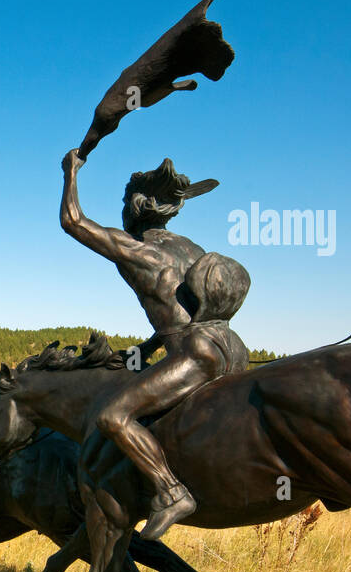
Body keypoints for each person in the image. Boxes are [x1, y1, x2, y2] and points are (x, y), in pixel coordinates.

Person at [60, 147, 250, 539]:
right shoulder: (189, 248)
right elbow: (184, 310)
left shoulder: (138, 251)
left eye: (122, 202)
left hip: (197, 355)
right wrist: (148, 349)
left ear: (136, 206)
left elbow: (73, 221)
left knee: (113, 417)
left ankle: (169, 489)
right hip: (233, 347)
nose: (121, 211)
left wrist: (70, 172)